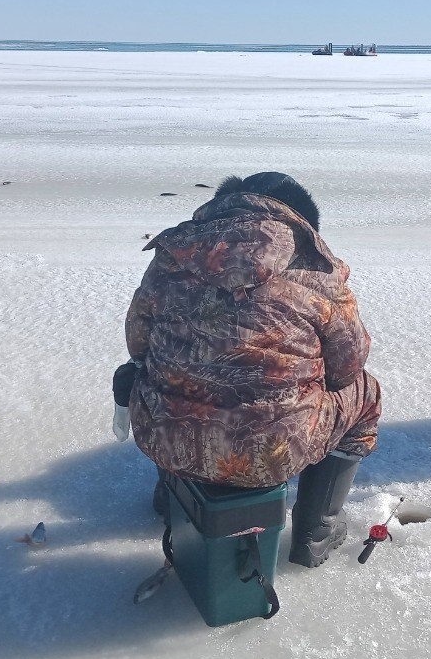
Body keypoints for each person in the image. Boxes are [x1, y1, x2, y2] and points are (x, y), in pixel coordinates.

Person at [112, 172, 382, 567]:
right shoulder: (317, 272)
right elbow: (348, 368)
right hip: (271, 455)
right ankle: (316, 532)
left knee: (155, 375)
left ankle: (170, 497)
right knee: (366, 392)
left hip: (163, 437)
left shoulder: (172, 257)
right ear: (299, 221)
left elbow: (138, 344)